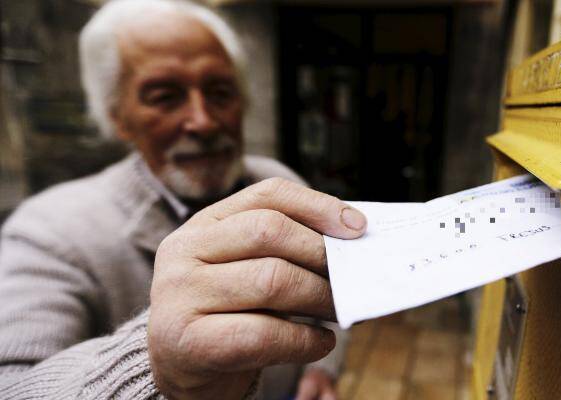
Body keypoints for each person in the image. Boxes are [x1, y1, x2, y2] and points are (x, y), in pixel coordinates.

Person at [0, 1, 367, 399]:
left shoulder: (281, 182)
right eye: (165, 96)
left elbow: (336, 292)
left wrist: (321, 369)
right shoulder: (49, 232)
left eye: (220, 92)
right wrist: (155, 364)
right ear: (118, 116)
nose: (203, 121)